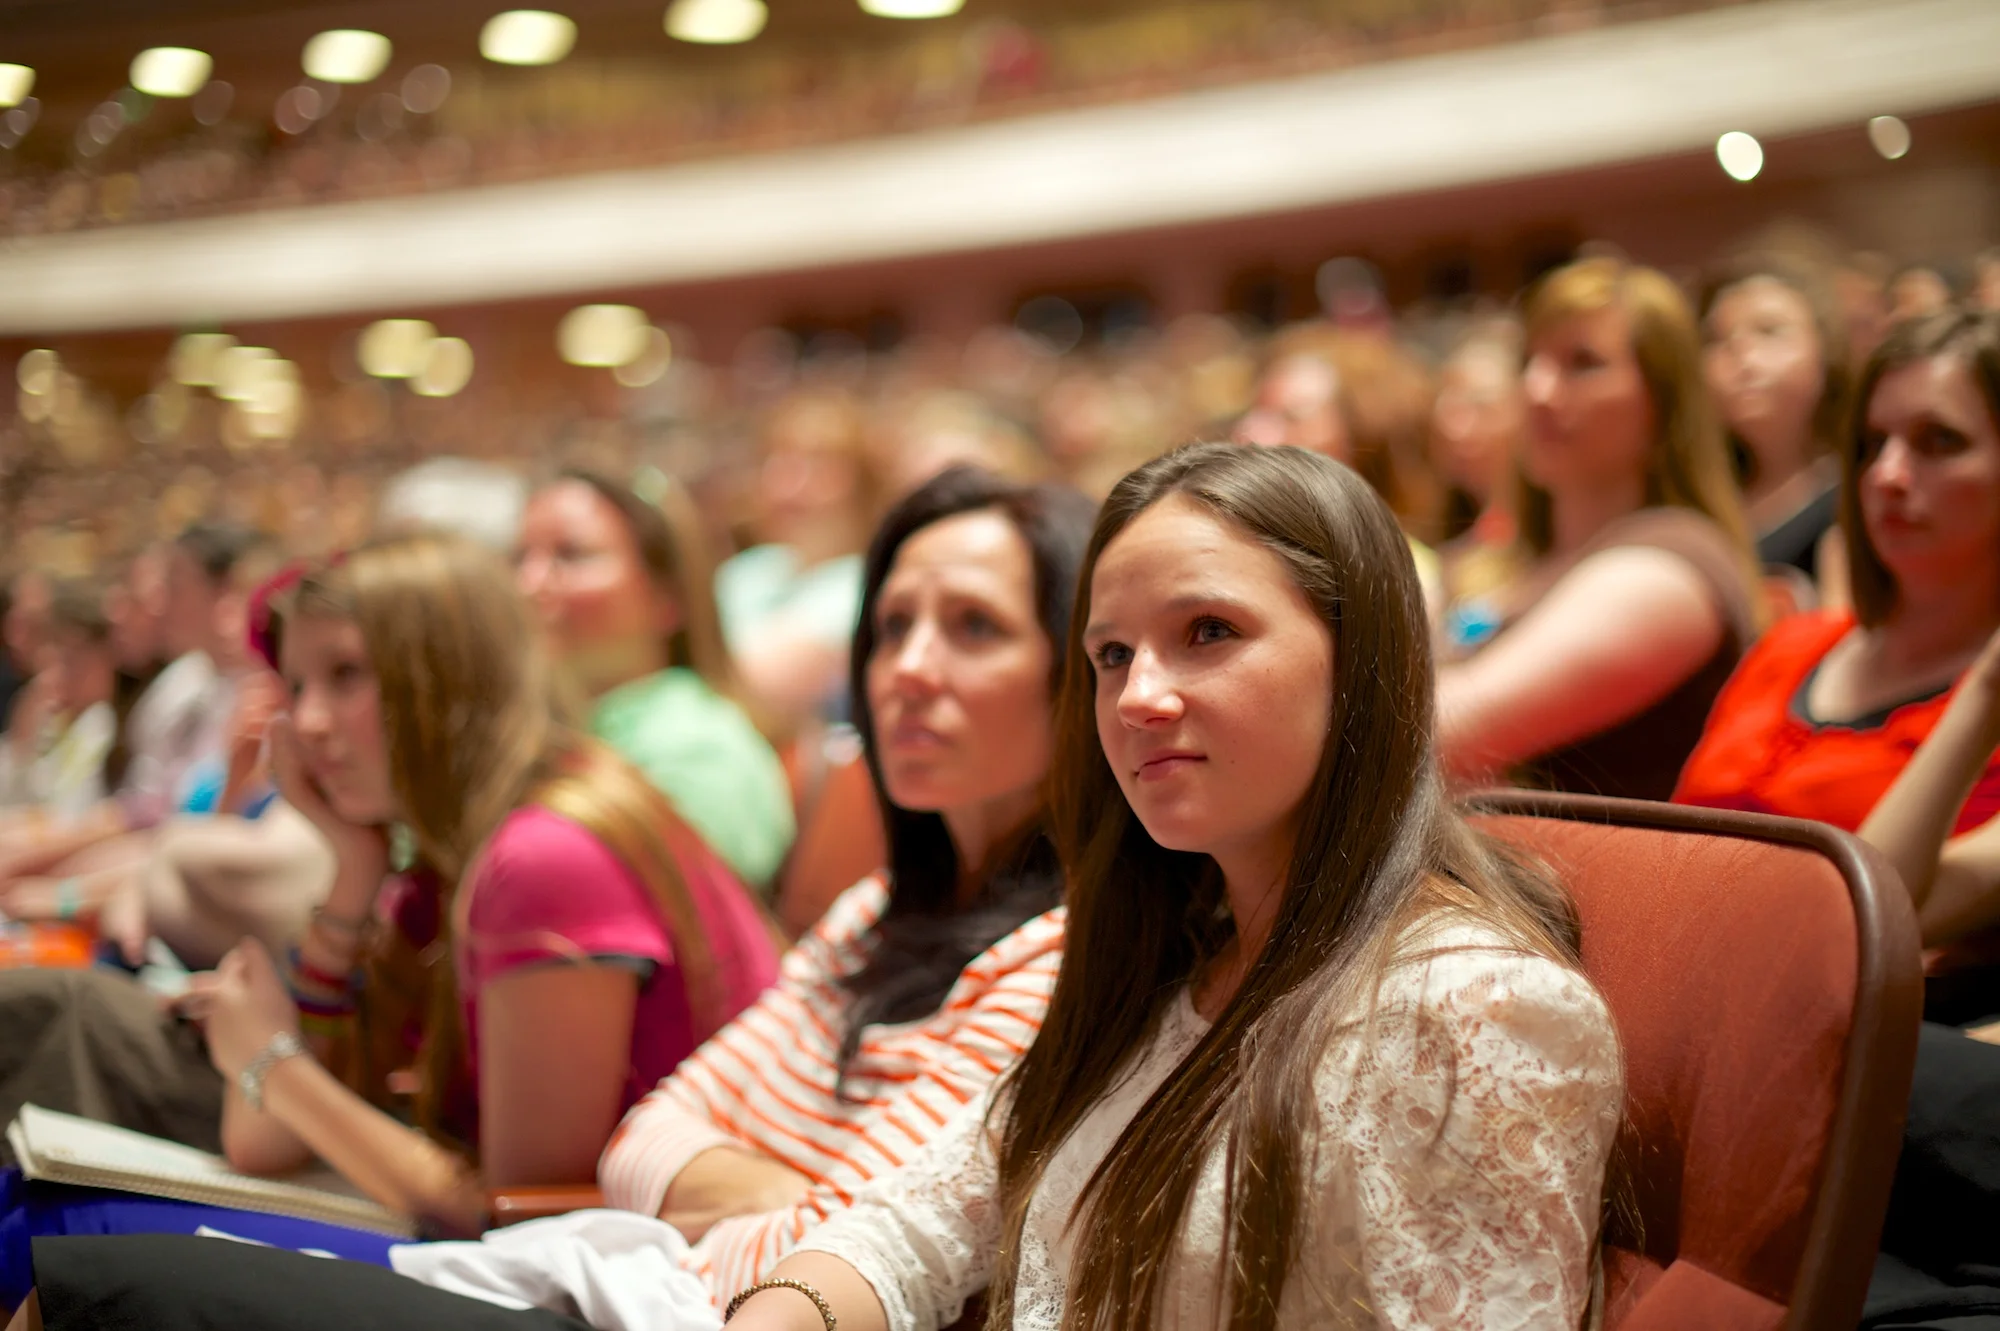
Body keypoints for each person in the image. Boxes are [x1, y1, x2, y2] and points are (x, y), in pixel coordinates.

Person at [13, 467, 1096, 1330]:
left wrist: (273, 1061)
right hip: (603, 1267)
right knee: (60, 1212)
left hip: (607, 1277)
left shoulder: (544, 851)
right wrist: (345, 877)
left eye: (348, 678)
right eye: (889, 626)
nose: (308, 723)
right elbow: (640, 1139)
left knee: (83, 1263)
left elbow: (841, 1243)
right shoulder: (872, 907)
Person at [722, 444, 1620, 1330]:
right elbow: (909, 1226)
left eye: (1208, 632)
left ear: (1358, 656)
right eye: (1112, 653)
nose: (1136, 697)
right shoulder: (1154, 962)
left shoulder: (1475, 1008)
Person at [1676, 309, 2000, 937]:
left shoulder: (1986, 708)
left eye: (1938, 441)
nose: (1887, 476)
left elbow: (1863, 929)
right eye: (1872, 445)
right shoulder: (1794, 643)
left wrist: (1986, 689)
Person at [1436, 256, 1761, 800]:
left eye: (1582, 363)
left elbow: (1448, 733)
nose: (1538, 390)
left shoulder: (1675, 561)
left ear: (1663, 402)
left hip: (1601, 882)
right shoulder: (1499, 561)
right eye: (1529, 361)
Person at [516, 470, 794, 895]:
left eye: (572, 556)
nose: (529, 584)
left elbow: (693, 940)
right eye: (519, 557)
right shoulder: (549, 729)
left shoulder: (696, 751)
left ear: (668, 597)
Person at [1700, 252, 1853, 585]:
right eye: (1717, 339)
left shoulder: (1856, 493)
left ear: (1826, 352)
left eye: (1769, 332)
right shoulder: (1695, 497)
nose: (1742, 354)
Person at [0, 581, 117, 823]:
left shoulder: (104, 723)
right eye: (61, 659)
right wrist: (22, 737)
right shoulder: (57, 723)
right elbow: (15, 798)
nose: (66, 671)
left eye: (77, 658)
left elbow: (73, 815)